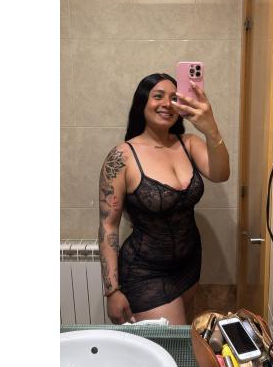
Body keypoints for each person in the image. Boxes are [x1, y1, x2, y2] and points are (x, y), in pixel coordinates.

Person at [98, 73, 230, 325]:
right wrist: (112, 291)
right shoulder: (122, 157)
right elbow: (108, 225)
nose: (167, 104)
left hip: (189, 264)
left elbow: (221, 173)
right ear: (142, 103)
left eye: (174, 98)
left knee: (181, 338)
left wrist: (210, 127)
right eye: (158, 96)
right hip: (145, 272)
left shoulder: (189, 143)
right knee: (171, 346)